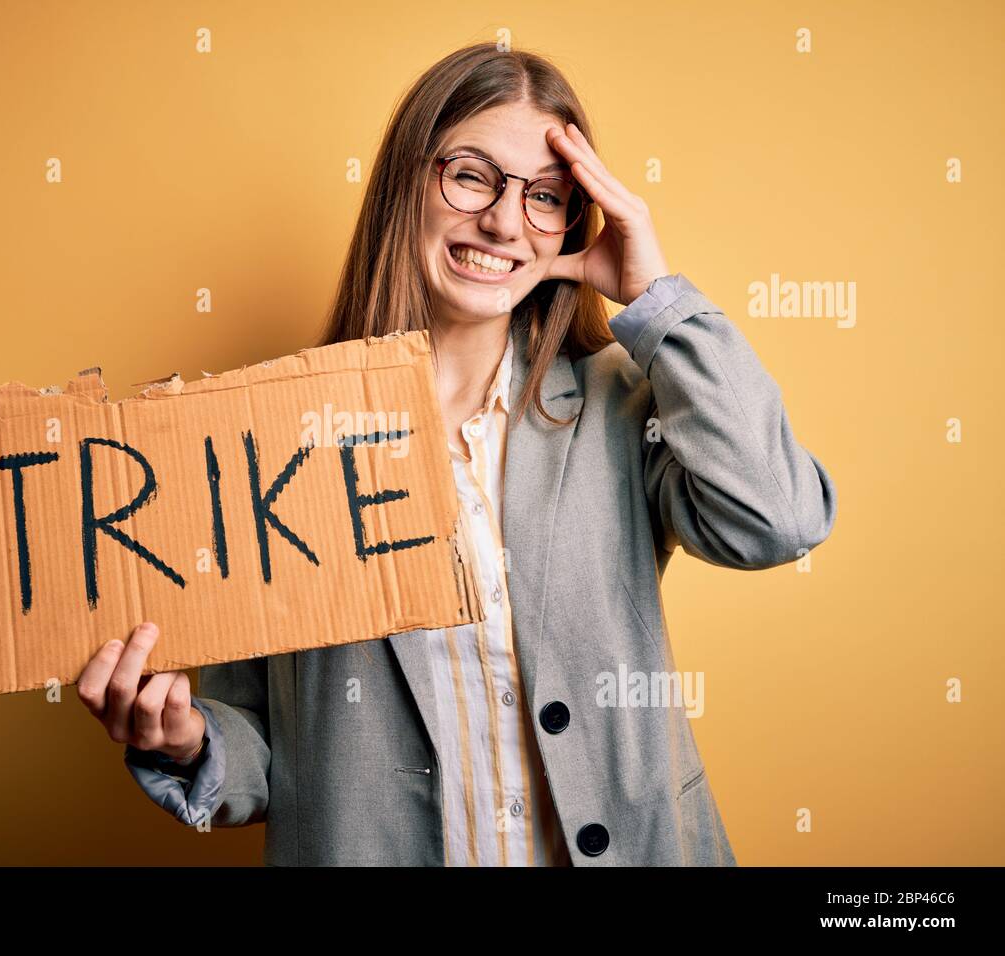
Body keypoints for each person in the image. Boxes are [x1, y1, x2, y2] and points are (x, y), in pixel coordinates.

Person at [77, 43, 836, 865]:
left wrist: (657, 301)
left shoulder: (622, 408)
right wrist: (185, 741)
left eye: (544, 197)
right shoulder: (278, 436)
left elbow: (778, 520)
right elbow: (260, 750)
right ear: (410, 184)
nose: (506, 223)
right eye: (473, 176)